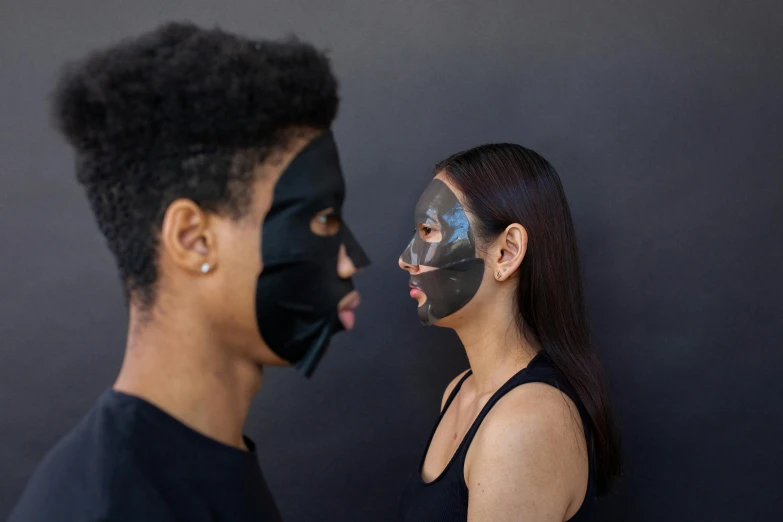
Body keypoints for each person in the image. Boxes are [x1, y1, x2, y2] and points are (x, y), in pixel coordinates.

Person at [9, 22, 369, 522]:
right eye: (322, 219)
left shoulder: (213, 460)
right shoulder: (103, 507)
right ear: (193, 239)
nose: (349, 260)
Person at [397, 144, 622, 521]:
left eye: (428, 231)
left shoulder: (525, 423)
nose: (406, 258)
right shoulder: (459, 392)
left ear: (506, 253)